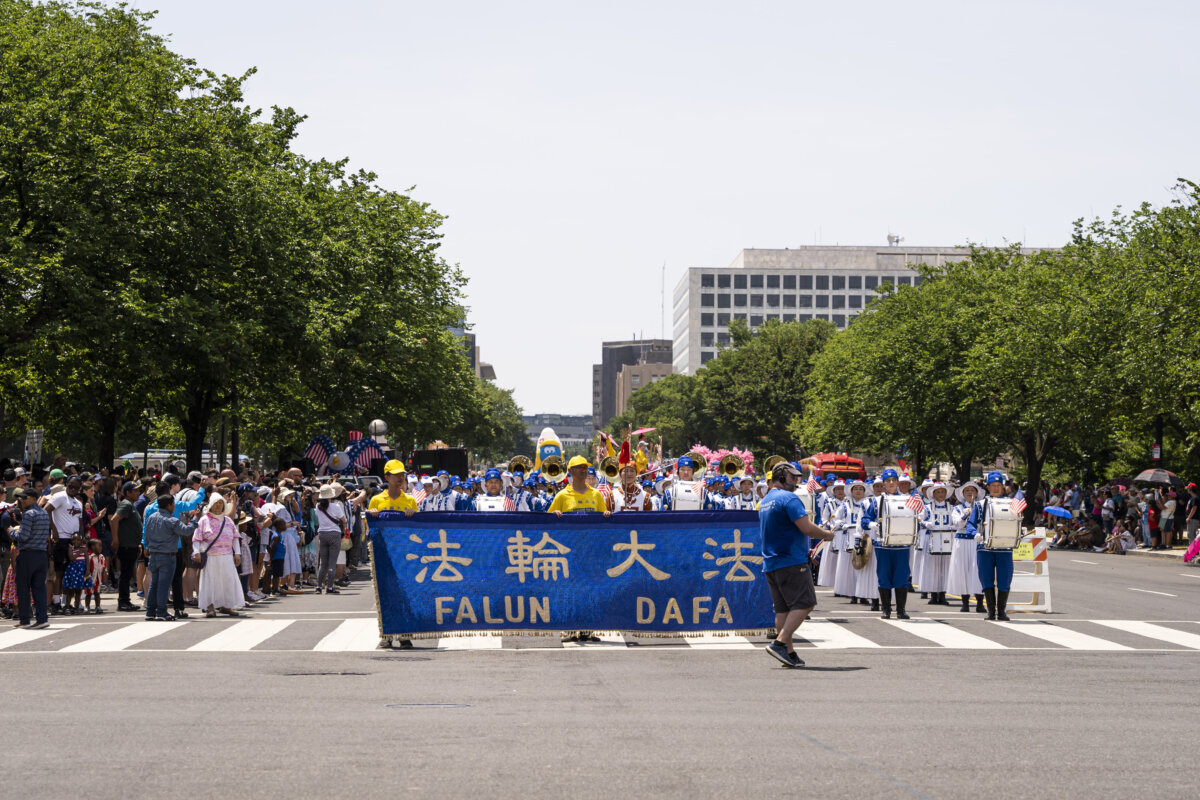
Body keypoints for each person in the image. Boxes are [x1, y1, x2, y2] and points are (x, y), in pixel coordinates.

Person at [760, 462, 834, 668]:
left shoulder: (766, 500)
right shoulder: (789, 498)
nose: (796, 481)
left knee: (783, 610)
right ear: (781, 477)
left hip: (772, 561)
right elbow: (806, 528)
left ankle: (789, 652)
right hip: (790, 561)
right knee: (805, 603)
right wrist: (826, 534)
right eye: (792, 477)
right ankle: (780, 643)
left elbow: (783, 530)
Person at [967, 471, 1023, 621]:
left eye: (999, 485)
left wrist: (1018, 532)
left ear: (1003, 487)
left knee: (1005, 579)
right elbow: (970, 524)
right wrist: (975, 534)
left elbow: (1016, 522)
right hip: (985, 548)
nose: (996, 488)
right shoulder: (980, 505)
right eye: (993, 485)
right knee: (986, 578)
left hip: (1005, 547)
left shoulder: (1011, 504)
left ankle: (1002, 611)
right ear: (988, 487)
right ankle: (991, 611)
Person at [860, 468, 916, 619]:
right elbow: (865, 520)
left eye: (894, 480)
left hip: (902, 544)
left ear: (898, 482)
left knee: (902, 576)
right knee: (884, 576)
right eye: (888, 481)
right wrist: (872, 525)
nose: (891, 483)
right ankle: (886, 609)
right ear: (883, 484)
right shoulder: (876, 501)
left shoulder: (907, 499)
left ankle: (901, 610)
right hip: (882, 545)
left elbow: (917, 516)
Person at [142, 494, 197, 621]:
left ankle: (150, 611)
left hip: (154, 555)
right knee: (164, 585)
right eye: (173, 504)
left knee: (154, 584)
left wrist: (149, 547)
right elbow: (187, 531)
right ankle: (161, 612)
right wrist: (195, 519)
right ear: (168, 505)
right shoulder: (172, 520)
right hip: (167, 556)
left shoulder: (151, 518)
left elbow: (146, 535)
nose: (174, 506)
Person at [192, 495, 244, 617]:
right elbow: (196, 538)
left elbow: (235, 538)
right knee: (210, 583)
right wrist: (196, 552)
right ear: (210, 505)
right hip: (211, 557)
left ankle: (226, 606)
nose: (218, 505)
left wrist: (237, 554)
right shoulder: (203, 520)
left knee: (227, 581)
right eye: (216, 503)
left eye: (221, 503)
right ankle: (210, 607)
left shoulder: (228, 521)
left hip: (227, 556)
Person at [12, 489, 50, 629]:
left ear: (34, 498)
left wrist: (11, 530)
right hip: (41, 554)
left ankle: (25, 620)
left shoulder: (29, 514)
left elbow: (22, 537)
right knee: (39, 588)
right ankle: (42, 619)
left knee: (23, 588)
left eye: (25, 497)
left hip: (28, 555)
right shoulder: (44, 513)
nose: (22, 500)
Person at [948, 481, 985, 613]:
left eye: (972, 490)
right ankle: (965, 602)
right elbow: (957, 523)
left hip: (976, 540)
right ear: (963, 494)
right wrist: (966, 514)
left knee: (978, 571)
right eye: (967, 490)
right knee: (962, 571)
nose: (970, 492)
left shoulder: (981, 507)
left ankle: (980, 602)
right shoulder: (957, 508)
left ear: (977, 493)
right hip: (962, 541)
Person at [919, 483, 955, 605]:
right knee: (932, 567)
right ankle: (933, 594)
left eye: (943, 492)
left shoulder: (952, 508)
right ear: (933, 494)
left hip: (946, 539)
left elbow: (955, 521)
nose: (940, 494)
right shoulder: (927, 507)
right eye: (938, 492)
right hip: (932, 538)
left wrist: (953, 526)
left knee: (945, 568)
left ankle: (943, 594)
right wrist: (926, 524)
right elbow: (919, 520)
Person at [313, 484, 347, 594]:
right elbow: (343, 520)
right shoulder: (336, 506)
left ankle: (319, 586)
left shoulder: (318, 506)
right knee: (332, 562)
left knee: (323, 563)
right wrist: (344, 528)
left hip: (322, 534)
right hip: (334, 533)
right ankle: (329, 587)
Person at [610, 443, 653, 512]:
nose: (629, 474)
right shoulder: (612, 496)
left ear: (636, 474)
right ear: (620, 474)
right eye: (626, 471)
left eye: (632, 471)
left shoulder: (645, 497)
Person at [84, 538, 106, 613]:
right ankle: (87, 606)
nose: (100, 547)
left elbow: (104, 566)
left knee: (97, 593)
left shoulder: (102, 557)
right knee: (88, 594)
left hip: (98, 579)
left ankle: (98, 606)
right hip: (90, 578)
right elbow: (87, 567)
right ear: (92, 547)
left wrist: (105, 571)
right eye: (99, 545)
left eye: (101, 546)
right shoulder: (90, 557)